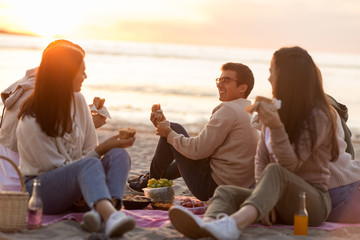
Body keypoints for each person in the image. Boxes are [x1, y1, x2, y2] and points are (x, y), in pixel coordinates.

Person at [169, 46, 339, 239]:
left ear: (288, 76)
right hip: (277, 199)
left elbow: (288, 166)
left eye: (272, 71)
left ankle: (232, 225)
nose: (268, 78)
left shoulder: (318, 115)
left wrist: (276, 127)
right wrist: (265, 200)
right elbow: (261, 159)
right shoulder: (275, 110)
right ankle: (209, 225)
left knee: (275, 171)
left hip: (309, 203)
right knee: (225, 192)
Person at [16, 45, 135, 237]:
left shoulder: (79, 101)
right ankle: (110, 216)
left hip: (80, 185)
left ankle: (102, 213)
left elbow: (89, 149)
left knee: (119, 154)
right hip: (41, 190)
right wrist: (101, 149)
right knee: (89, 163)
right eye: (82, 72)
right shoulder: (31, 120)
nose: (85, 77)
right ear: (65, 75)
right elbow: (56, 169)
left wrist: (106, 149)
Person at [128, 62, 259, 201]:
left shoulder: (229, 110)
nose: (219, 84)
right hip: (236, 187)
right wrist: (168, 132)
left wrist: (168, 133)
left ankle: (151, 183)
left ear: (243, 88)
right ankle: (152, 179)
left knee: (174, 129)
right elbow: (206, 150)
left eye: (226, 81)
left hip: (213, 188)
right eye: (219, 80)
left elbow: (198, 151)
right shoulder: (249, 112)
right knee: (175, 134)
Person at [0, 39, 106, 191]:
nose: (83, 75)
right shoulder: (32, 97)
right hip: (20, 181)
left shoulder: (35, 86)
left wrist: (84, 119)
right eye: (77, 67)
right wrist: (88, 125)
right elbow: (46, 153)